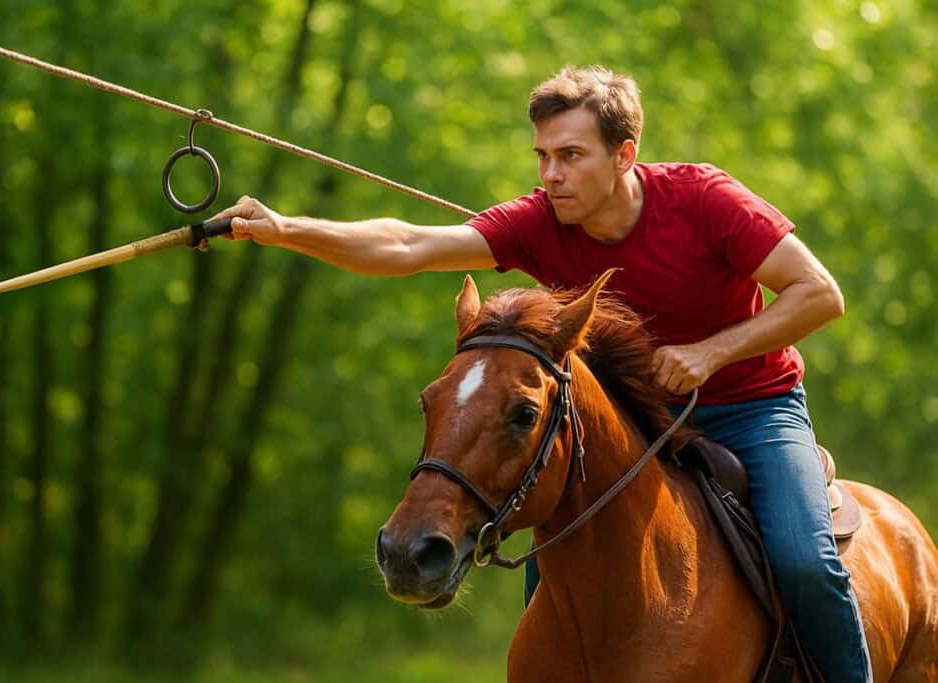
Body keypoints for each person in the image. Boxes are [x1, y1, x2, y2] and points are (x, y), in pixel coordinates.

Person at [212, 65, 870, 681]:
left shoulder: (704, 199)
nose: (551, 175)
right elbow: (408, 244)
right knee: (561, 572)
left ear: (625, 156)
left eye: (571, 156)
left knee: (804, 562)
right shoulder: (542, 221)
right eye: (544, 156)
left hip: (752, 406)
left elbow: (819, 293)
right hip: (627, 425)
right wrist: (285, 228)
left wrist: (710, 353)